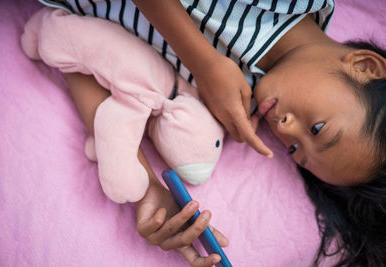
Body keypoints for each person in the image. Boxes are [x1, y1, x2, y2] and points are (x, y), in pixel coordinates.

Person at [34, 0, 386, 266]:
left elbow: (81, 53)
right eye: (318, 129)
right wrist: (202, 61)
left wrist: (143, 185)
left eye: (295, 150)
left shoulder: (228, 106)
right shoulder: (290, 5)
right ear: (365, 67)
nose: (283, 130)